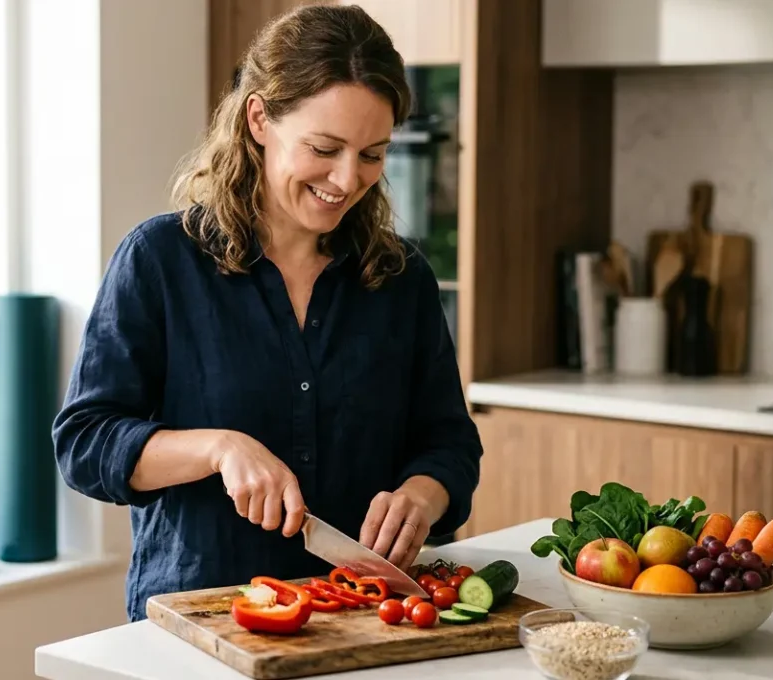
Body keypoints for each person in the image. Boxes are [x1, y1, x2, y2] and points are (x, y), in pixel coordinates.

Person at [52, 4, 482, 623]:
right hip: (202, 624)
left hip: (362, 622)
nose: (347, 178)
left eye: (372, 154)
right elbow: (84, 443)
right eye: (325, 148)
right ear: (259, 119)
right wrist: (217, 449)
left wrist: (425, 492)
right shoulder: (160, 261)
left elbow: (449, 441)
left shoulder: (401, 279)